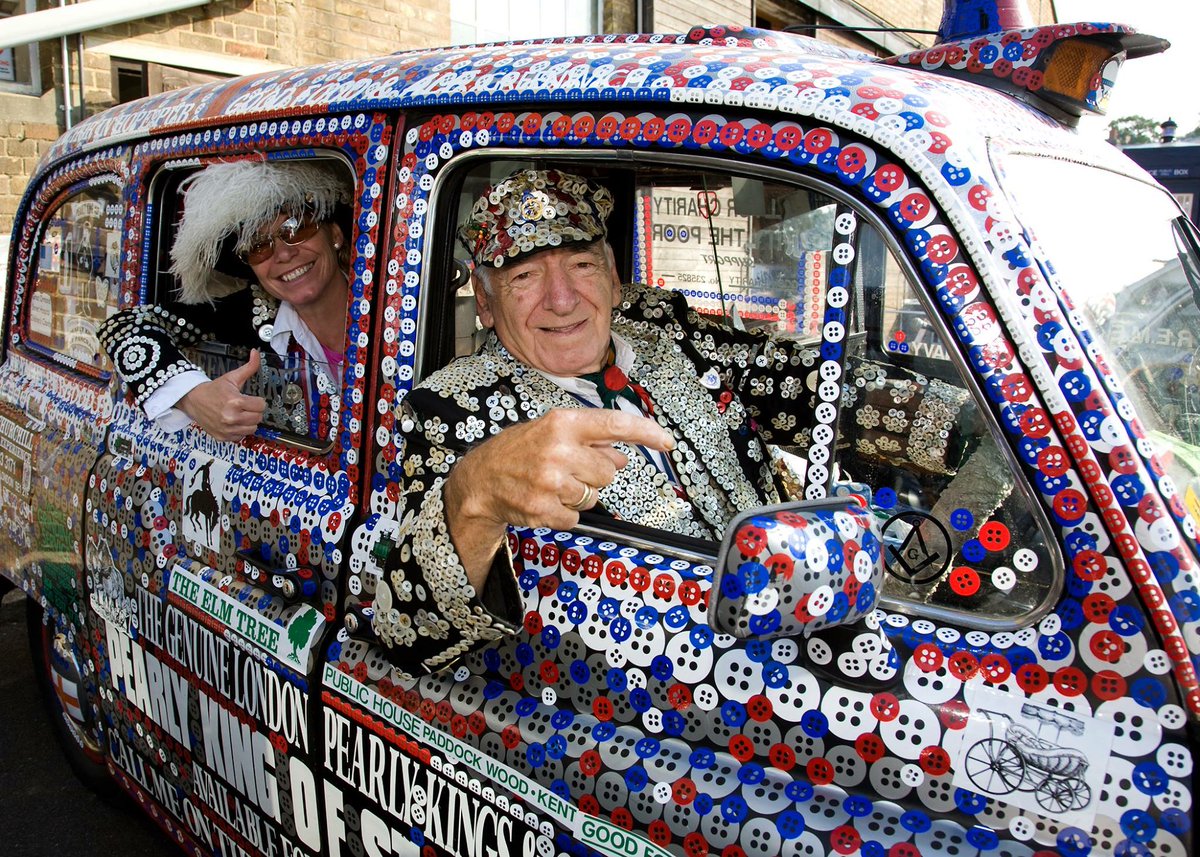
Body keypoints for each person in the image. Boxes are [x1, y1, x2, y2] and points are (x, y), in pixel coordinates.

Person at [374, 168, 972, 676]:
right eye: (524, 277)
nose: (561, 299)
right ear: (484, 302)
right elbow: (407, 637)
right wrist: (474, 496)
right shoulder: (450, 408)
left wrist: (966, 423)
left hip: (803, 618)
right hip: (653, 692)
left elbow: (809, 387)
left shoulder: (669, 336)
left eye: (581, 264)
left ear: (613, 278)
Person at [98, 158, 352, 441]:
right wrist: (193, 396)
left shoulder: (390, 300)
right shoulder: (249, 313)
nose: (283, 254)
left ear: (335, 235)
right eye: (258, 246)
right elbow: (123, 326)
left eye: (296, 229)